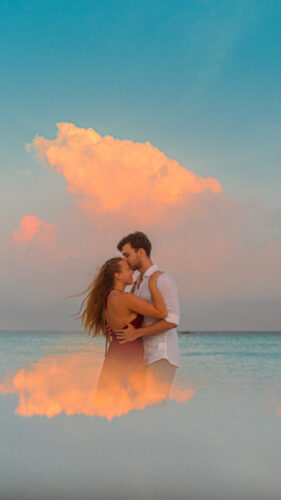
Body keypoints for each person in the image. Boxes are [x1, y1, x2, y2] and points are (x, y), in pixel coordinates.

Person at [76, 257, 167, 402]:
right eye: (128, 269)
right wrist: (152, 284)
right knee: (130, 404)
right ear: (117, 275)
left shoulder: (109, 297)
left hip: (116, 352)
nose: (132, 272)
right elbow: (162, 313)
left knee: (111, 404)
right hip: (128, 355)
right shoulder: (125, 299)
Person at [115, 231, 180, 400]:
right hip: (144, 355)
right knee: (141, 411)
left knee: (154, 409)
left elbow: (173, 320)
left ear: (141, 252)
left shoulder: (162, 279)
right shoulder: (138, 283)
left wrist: (137, 333)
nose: (124, 260)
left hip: (162, 354)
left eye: (127, 255)